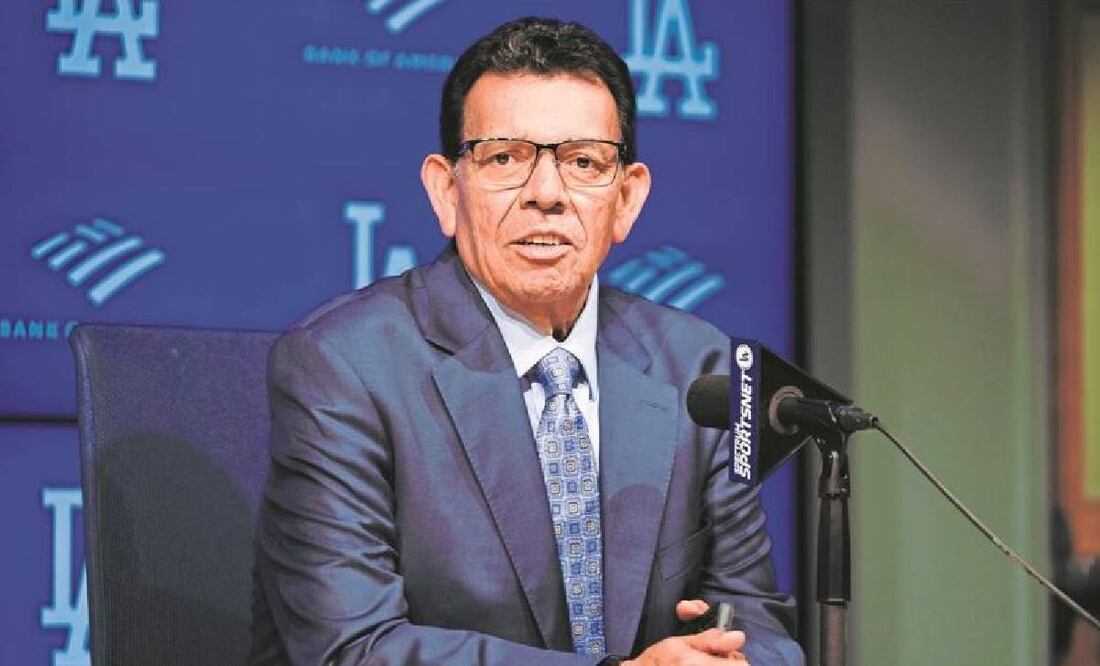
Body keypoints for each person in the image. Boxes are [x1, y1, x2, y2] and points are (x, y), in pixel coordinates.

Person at [250, 17, 803, 666]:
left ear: (626, 199)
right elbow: (353, 649)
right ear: (445, 190)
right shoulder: (345, 366)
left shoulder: (696, 368)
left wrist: (733, 658)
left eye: (583, 162)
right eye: (505, 157)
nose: (546, 194)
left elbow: (758, 620)